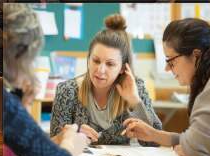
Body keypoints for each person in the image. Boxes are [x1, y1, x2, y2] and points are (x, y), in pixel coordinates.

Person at [50, 14, 162, 146]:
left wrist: (135, 101)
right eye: (96, 61)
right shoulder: (67, 90)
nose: (100, 70)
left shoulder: (135, 87)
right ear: (88, 58)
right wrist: (71, 134)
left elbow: (154, 143)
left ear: (122, 68)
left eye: (110, 64)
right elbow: (52, 145)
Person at [3, 4, 87, 156]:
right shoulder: (6, 103)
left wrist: (56, 142)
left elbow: (25, 145)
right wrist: (70, 146)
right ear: (22, 54)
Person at [123, 18, 210, 156]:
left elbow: (196, 151)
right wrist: (154, 135)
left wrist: (187, 147)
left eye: (171, 61)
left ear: (196, 55)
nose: (167, 69)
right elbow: (196, 140)